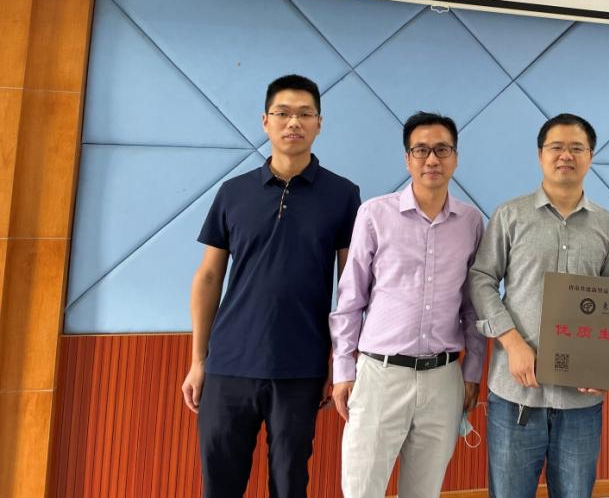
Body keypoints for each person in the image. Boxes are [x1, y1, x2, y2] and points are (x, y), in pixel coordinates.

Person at [181, 74, 360, 497]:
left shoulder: (343, 195)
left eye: (304, 114)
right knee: (220, 485)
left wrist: (342, 363)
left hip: (301, 366)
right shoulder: (233, 193)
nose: (293, 122)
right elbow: (208, 277)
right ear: (265, 121)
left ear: (319, 124)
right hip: (228, 363)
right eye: (282, 113)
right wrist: (198, 360)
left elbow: (352, 287)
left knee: (289, 483)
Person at [330, 112, 485, 498]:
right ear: (407, 159)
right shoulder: (375, 214)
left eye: (442, 149)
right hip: (380, 375)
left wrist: (472, 372)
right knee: (362, 490)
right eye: (421, 150)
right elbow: (350, 299)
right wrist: (343, 370)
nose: (432, 159)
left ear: (455, 157)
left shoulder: (470, 221)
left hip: (443, 379)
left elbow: (473, 307)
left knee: (424, 492)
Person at [469, 113, 609, 498]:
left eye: (576, 148)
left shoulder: (607, 225)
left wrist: (605, 366)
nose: (565, 155)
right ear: (540, 155)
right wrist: (512, 343)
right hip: (516, 395)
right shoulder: (510, 215)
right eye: (556, 147)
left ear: (590, 156)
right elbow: (481, 279)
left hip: (581, 400)